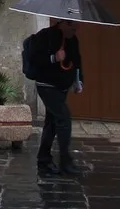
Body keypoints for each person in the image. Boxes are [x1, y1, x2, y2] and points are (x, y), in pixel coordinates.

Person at [30, 20, 83, 176]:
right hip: (46, 85)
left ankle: (44, 160)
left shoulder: (72, 40)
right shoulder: (45, 36)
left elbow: (77, 61)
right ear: (64, 24)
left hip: (62, 87)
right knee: (64, 119)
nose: (74, 32)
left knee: (52, 123)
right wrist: (54, 58)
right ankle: (65, 162)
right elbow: (35, 59)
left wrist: (79, 80)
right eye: (72, 29)